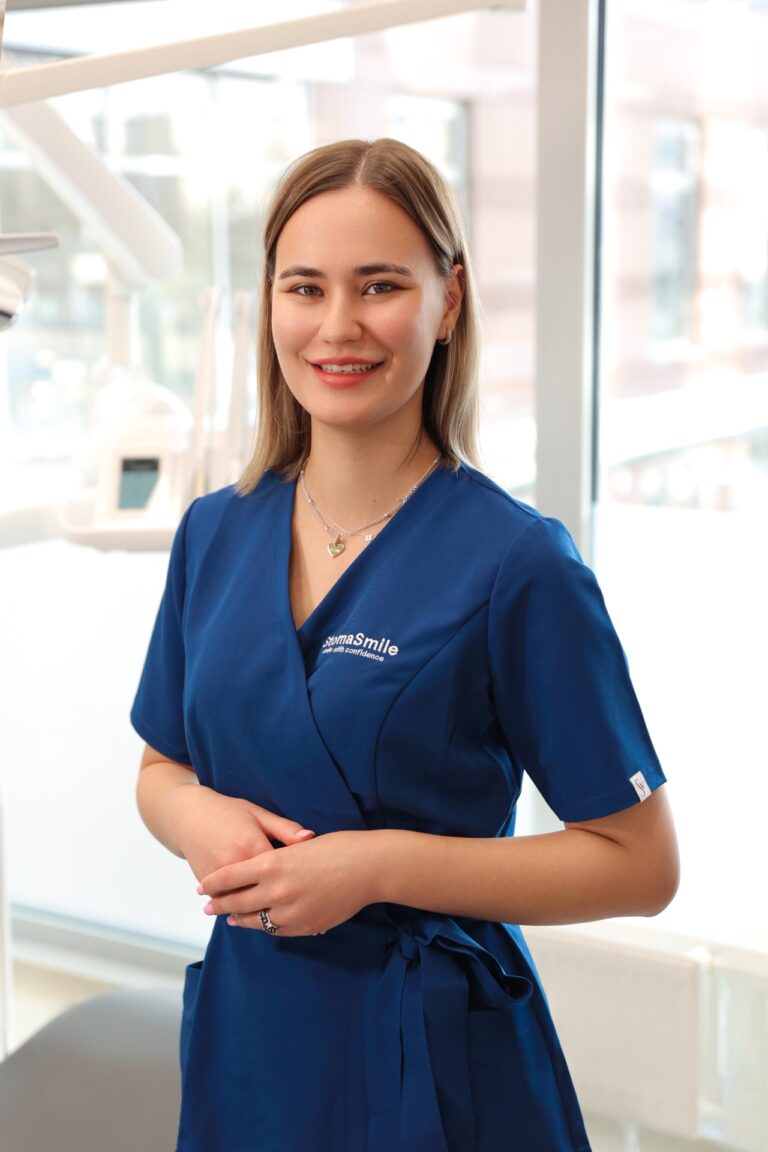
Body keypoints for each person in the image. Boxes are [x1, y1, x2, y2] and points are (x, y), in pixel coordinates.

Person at [131, 137, 679, 1152]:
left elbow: (640, 865)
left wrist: (377, 867)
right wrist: (191, 813)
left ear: (449, 300)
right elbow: (161, 766)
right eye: (305, 287)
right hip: (254, 1039)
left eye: (379, 286)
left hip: (431, 1057)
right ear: (270, 304)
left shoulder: (516, 562)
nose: (337, 326)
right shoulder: (216, 531)